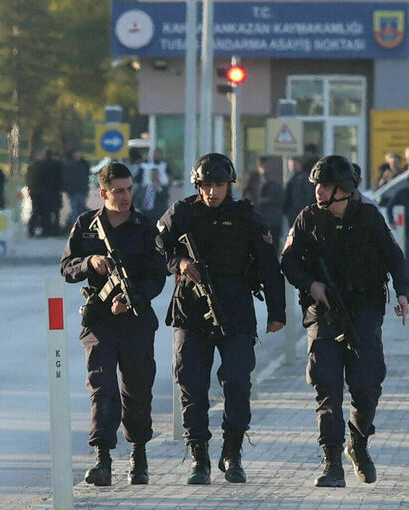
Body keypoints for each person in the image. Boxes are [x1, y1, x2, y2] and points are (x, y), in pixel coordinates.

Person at [155, 153, 286, 485]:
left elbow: (269, 264)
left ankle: (232, 453)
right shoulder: (182, 213)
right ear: (198, 185)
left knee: (238, 383)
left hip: (236, 311)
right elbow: (158, 244)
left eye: (219, 185)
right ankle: (199, 457)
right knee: (192, 384)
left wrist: (277, 312)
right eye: (207, 185)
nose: (213, 192)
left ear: (230, 185)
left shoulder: (245, 217)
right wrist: (180, 263)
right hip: (191, 311)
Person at [281, 155, 409, 488]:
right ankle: (331, 461)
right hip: (323, 315)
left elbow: (395, 257)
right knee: (327, 387)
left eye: (326, 186)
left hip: (364, 312)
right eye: (318, 186)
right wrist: (312, 285)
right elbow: (288, 262)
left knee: (367, 385)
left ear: (344, 189)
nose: (319, 192)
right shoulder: (307, 219)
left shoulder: (368, 218)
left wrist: (403, 292)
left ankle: (359, 443)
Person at [61, 162, 167, 487]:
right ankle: (102, 459)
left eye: (129, 190)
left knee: (136, 389)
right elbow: (66, 267)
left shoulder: (145, 227)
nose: (125, 197)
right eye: (118, 191)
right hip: (99, 320)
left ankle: (139, 455)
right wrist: (89, 263)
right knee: (102, 387)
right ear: (103, 193)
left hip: (135, 319)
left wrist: (134, 298)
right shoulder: (85, 225)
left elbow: (157, 275)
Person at [255, 156, 285, 253]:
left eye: (268, 166)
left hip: (273, 223)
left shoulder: (276, 185)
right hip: (258, 222)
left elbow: (281, 201)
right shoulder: (254, 184)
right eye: (264, 166)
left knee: (273, 249)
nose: (266, 169)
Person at [283, 156, 316, 227]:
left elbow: (309, 196)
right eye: (291, 165)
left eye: (295, 164)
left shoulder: (304, 178)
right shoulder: (291, 179)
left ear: (300, 165)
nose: (293, 167)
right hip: (293, 213)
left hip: (300, 211)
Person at [62, 149, 90, 224]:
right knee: (77, 209)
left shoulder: (73, 164)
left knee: (78, 209)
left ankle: (77, 226)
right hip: (76, 190)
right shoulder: (81, 164)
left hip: (78, 190)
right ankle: (78, 226)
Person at [386, 176, 409, 263]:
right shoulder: (401, 193)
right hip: (406, 229)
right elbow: (389, 207)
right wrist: (391, 221)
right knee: (406, 253)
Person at [149, 148, 171, 222]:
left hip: (163, 189)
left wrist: (165, 186)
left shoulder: (165, 165)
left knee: (162, 210)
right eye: (154, 155)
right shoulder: (150, 165)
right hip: (152, 190)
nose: (156, 156)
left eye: (157, 154)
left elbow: (170, 176)